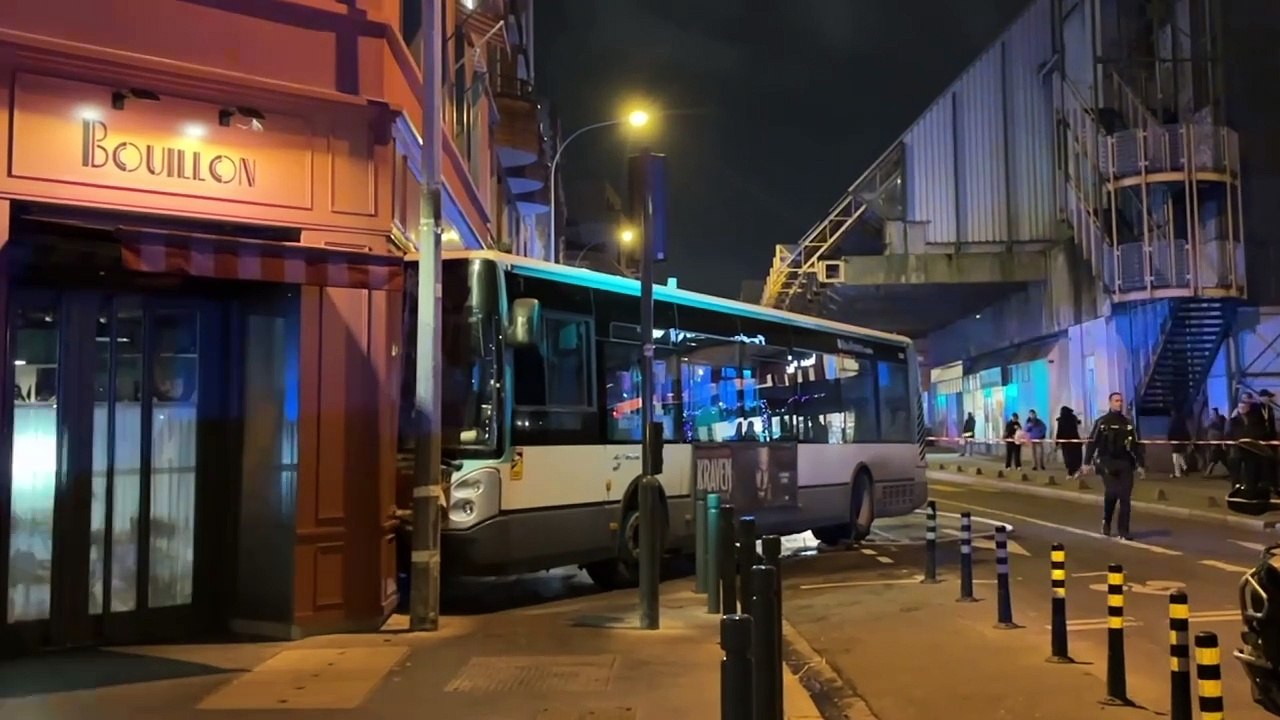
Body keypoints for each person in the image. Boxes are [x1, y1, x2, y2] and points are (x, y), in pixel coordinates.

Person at [1084, 391, 1144, 540]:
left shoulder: (1127, 423)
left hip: (1125, 462)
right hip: (1106, 461)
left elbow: (1135, 445)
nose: (1120, 403)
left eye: (1121, 401)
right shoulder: (1102, 422)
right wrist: (1086, 462)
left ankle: (1124, 531)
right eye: (1116, 401)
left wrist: (1141, 464)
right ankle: (1107, 520)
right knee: (1112, 492)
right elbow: (1092, 442)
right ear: (1110, 403)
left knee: (1125, 497)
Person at [1056, 406, 1083, 477]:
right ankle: (1076, 470)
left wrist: (1057, 442)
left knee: (1068, 457)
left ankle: (1071, 472)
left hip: (1066, 442)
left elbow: (1059, 431)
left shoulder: (1061, 420)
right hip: (1075, 440)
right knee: (1076, 456)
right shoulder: (1073, 418)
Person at [1204, 407, 1227, 477]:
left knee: (1215, 458)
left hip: (1218, 442)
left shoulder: (1220, 420)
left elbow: (1222, 430)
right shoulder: (1211, 421)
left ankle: (1208, 472)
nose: (1211, 415)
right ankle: (1208, 472)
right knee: (1221, 458)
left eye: (1212, 413)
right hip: (1214, 442)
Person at [1168, 411, 1191, 478]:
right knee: (1179, 455)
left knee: (1175, 457)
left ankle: (1178, 473)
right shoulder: (1182, 422)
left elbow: (1171, 432)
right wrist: (1188, 440)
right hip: (1182, 441)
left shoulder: (1174, 422)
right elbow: (1186, 432)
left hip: (1176, 441)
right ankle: (1185, 468)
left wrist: (1170, 439)